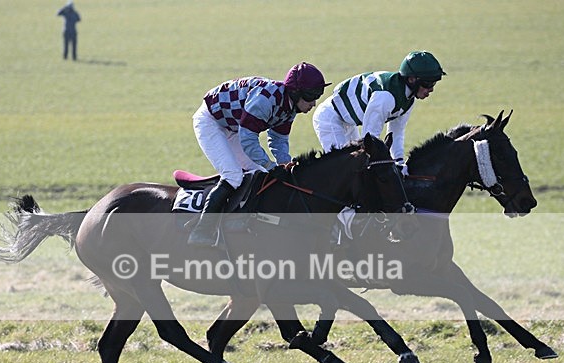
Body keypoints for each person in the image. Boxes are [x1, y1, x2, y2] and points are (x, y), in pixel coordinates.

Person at [187, 62, 330, 247]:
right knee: (233, 175)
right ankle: (201, 230)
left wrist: (285, 165)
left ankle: (239, 223)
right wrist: (271, 166)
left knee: (258, 173)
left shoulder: (289, 107)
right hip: (211, 122)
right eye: (311, 96)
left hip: (233, 126)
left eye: (317, 96)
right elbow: (248, 141)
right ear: (295, 92)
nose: (314, 103)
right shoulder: (266, 100)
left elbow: (278, 141)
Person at [312, 51, 445, 174]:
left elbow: (396, 132)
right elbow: (369, 139)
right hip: (330, 118)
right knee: (345, 169)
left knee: (357, 168)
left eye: (434, 84)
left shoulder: (408, 98)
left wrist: (399, 162)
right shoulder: (385, 98)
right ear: (411, 79)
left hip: (348, 122)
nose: (431, 90)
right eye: (428, 84)